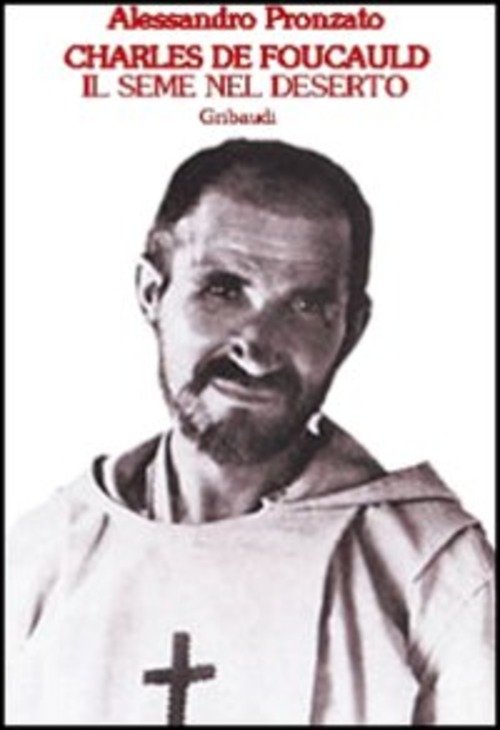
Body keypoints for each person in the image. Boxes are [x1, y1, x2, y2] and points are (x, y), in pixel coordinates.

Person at [6, 139, 494, 725]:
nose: (258, 350)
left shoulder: (433, 574)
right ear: (152, 293)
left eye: (306, 306)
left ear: (351, 329)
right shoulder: (42, 557)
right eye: (223, 290)